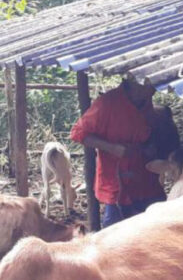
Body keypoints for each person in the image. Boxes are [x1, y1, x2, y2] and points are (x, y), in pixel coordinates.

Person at [69, 80, 165, 228]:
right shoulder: (107, 103)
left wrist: (149, 148)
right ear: (137, 84)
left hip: (146, 182)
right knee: (114, 235)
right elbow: (78, 133)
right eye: (150, 88)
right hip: (116, 181)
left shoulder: (145, 102)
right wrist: (112, 148)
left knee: (152, 231)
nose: (153, 92)